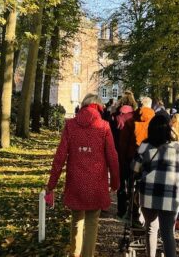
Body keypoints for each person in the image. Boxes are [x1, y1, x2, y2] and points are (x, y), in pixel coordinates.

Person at [46, 94, 119, 257]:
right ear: (99, 107)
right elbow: (112, 157)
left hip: (75, 182)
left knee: (76, 219)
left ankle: (74, 254)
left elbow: (60, 157)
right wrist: (115, 182)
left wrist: (51, 184)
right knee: (92, 222)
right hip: (96, 183)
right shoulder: (104, 126)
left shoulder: (70, 125)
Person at [133, 115, 179, 257]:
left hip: (149, 195)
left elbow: (134, 168)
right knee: (168, 233)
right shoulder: (176, 147)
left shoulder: (145, 145)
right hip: (170, 195)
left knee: (151, 228)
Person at [112, 91, 138, 219]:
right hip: (132, 154)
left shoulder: (116, 116)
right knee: (132, 182)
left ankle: (121, 209)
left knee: (121, 182)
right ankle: (132, 208)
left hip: (118, 153)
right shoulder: (136, 117)